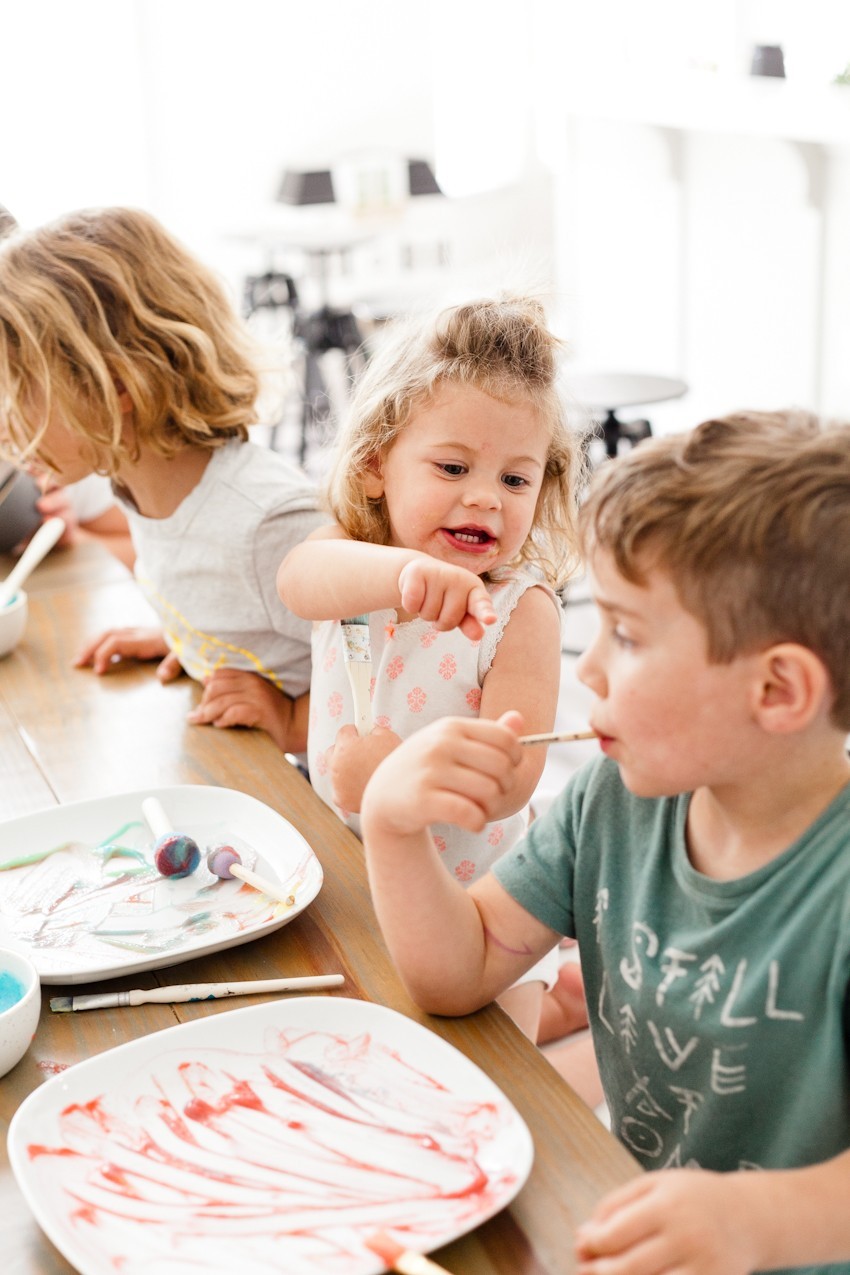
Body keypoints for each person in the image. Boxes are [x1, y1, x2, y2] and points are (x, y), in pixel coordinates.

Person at [359, 409, 850, 1275]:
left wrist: (762, 1219)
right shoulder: (615, 800)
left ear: (777, 689)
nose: (586, 671)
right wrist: (396, 829)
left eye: (624, 635)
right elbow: (457, 970)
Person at [278, 295, 583, 1037]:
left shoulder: (520, 610)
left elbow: (513, 782)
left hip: (468, 905)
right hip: (343, 876)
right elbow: (299, 581)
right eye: (453, 466)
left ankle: (564, 1009)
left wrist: (395, 777)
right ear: (378, 462)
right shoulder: (351, 557)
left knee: (492, 1057)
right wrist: (403, 577)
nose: (485, 497)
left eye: (516, 480)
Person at [0, 207, 327, 754]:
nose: (4, 423)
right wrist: (200, 643)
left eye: (17, 392)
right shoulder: (134, 483)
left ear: (114, 385)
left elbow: (410, 662)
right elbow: (235, 600)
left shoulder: (268, 525)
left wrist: (292, 716)